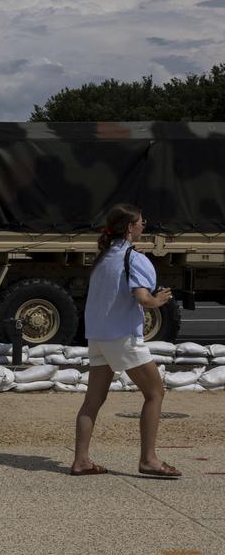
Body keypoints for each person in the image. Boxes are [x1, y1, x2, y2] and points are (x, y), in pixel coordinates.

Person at [72, 203, 180, 478]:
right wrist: (158, 300)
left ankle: (81, 460)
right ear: (130, 227)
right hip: (122, 336)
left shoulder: (104, 257)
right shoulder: (133, 258)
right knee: (155, 393)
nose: (144, 224)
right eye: (141, 221)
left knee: (92, 400)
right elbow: (142, 297)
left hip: (98, 336)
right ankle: (149, 460)